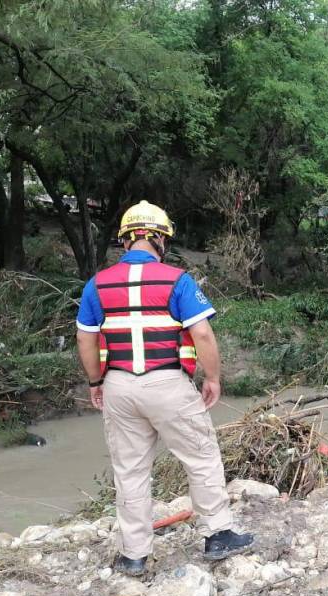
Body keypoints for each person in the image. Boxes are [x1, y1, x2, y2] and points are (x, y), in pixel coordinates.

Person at [76, 200, 253, 576]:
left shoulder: (98, 284)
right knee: (200, 458)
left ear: (125, 241)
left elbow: (85, 338)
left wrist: (96, 382)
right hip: (169, 383)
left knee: (130, 471)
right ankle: (218, 535)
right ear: (160, 239)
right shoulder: (177, 280)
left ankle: (134, 555)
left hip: (119, 386)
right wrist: (214, 378)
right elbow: (202, 332)